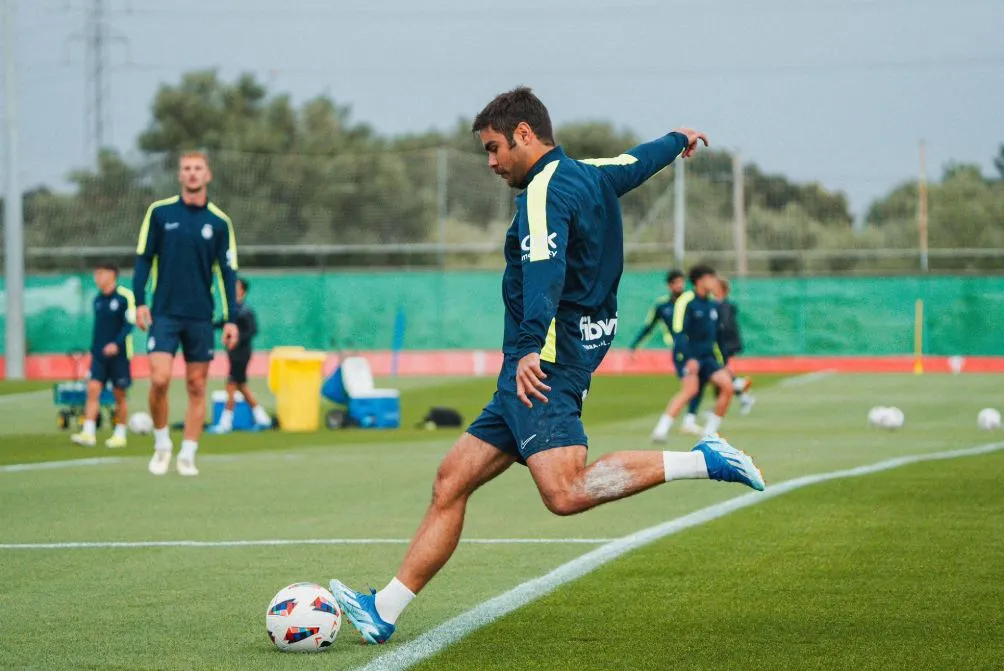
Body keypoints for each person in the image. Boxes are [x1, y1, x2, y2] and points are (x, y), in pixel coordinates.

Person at [327, 87, 765, 645]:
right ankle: (383, 609)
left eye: (494, 149)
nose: (491, 163)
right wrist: (677, 139)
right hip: (553, 357)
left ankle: (703, 459)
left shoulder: (541, 194)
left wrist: (531, 346)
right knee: (451, 480)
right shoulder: (590, 173)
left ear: (525, 135)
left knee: (565, 493)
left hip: (545, 363)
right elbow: (638, 160)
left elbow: (544, 270)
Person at [133, 151, 239, 477]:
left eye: (198, 169)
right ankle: (162, 442)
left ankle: (188, 454)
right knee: (160, 379)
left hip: (200, 316)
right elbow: (143, 259)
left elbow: (228, 272)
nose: (192, 174)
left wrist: (230, 317)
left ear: (208, 175)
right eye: (186, 169)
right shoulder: (160, 213)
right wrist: (139, 300)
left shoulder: (219, 223)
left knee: (196, 385)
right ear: (180, 175)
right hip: (164, 313)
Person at [651, 264, 735, 442]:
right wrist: (689, 358)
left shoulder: (712, 304)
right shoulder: (686, 301)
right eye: (711, 278)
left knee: (727, 386)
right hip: (688, 356)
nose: (714, 282)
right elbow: (678, 332)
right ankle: (661, 429)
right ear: (700, 281)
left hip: (708, 357)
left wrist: (726, 362)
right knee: (690, 390)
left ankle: (709, 433)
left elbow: (718, 336)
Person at [628, 268, 704, 434]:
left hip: (697, 350)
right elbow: (648, 326)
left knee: (697, 385)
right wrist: (634, 346)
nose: (679, 285)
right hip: (681, 351)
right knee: (691, 388)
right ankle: (663, 427)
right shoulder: (662, 306)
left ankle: (688, 421)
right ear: (669, 285)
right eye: (676, 283)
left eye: (681, 282)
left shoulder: (691, 301)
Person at [71, 262, 135, 448]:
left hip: (120, 355)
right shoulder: (97, 299)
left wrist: (116, 344)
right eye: (96, 273)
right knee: (92, 390)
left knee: (119, 394)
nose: (97, 277)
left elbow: (129, 324)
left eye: (101, 273)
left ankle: (120, 433)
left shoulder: (125, 297)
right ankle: (88, 433)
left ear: (112, 274)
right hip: (99, 355)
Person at [210, 277, 272, 432]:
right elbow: (221, 323)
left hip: (241, 353)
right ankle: (262, 417)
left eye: (236, 286)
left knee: (231, 384)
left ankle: (226, 422)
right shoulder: (233, 309)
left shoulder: (245, 310)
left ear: (242, 290)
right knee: (240, 386)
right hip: (233, 353)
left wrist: (237, 339)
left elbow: (252, 330)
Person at [716, 277, 755, 415]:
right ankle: (742, 396)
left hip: (724, 344)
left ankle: (740, 385)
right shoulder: (721, 305)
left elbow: (724, 326)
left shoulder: (724, 306)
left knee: (720, 371)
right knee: (720, 374)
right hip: (723, 344)